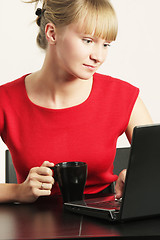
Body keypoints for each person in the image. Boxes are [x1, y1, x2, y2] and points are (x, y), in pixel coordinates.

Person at [0, 0, 152, 203]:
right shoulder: (6, 99)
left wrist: (138, 178)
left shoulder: (123, 96)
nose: (98, 56)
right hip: (34, 229)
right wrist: (19, 191)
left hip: (107, 228)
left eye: (106, 44)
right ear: (52, 33)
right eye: (88, 41)